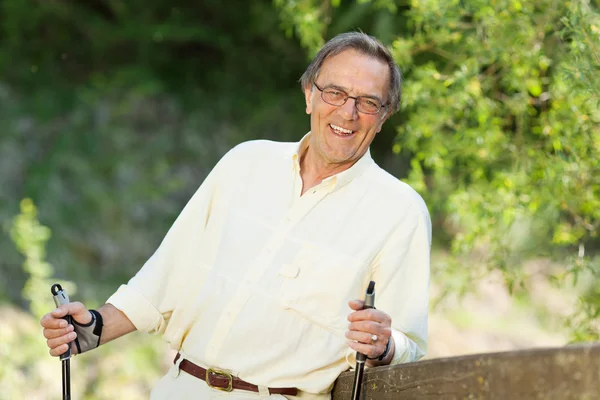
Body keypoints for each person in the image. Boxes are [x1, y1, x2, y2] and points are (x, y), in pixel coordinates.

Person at [41, 31, 431, 399]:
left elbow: (408, 345)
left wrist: (385, 344)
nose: (348, 113)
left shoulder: (400, 212)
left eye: (367, 102)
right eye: (335, 92)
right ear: (309, 94)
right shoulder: (245, 162)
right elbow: (165, 279)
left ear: (384, 116)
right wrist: (92, 327)